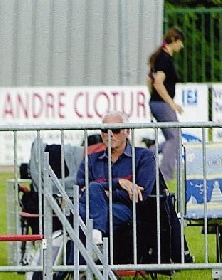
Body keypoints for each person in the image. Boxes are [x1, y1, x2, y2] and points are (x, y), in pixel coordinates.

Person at [76, 111, 157, 247]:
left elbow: (141, 193)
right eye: (104, 130)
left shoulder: (144, 156)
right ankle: (95, 242)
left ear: (127, 131)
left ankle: (75, 265)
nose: (110, 134)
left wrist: (105, 193)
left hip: (126, 210)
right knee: (82, 211)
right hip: (96, 209)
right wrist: (118, 183)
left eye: (115, 129)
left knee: (81, 214)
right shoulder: (91, 160)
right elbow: (82, 190)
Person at [147, 27, 185, 183]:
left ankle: (146, 153)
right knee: (174, 137)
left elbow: (149, 80)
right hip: (162, 103)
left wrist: (153, 100)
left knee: (172, 138)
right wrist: (171, 103)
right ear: (175, 41)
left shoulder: (160, 57)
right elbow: (157, 83)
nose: (181, 46)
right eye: (180, 42)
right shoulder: (165, 58)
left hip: (157, 103)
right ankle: (165, 174)